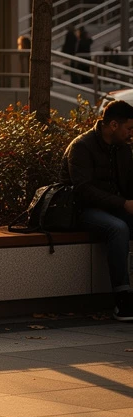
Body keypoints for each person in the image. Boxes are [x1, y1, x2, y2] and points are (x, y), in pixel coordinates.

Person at [66, 100, 133, 322]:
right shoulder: (81, 146)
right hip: (83, 210)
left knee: (119, 223)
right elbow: (83, 190)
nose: (131, 134)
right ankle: (122, 299)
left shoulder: (123, 148)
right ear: (114, 125)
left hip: (114, 207)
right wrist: (122, 204)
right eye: (129, 128)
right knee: (118, 228)